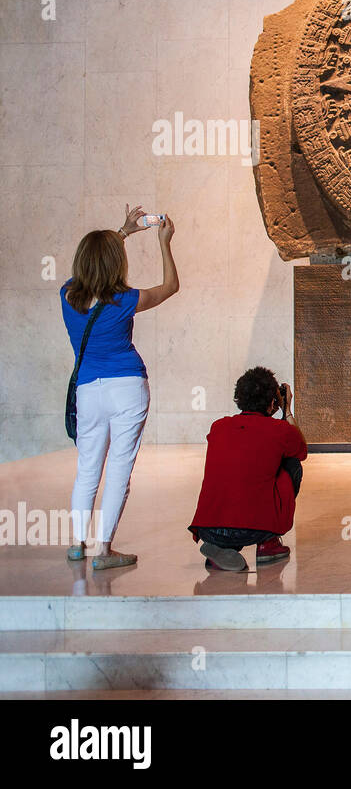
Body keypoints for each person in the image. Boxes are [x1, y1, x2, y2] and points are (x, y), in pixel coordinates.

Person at [62, 206, 179, 570]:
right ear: (117, 264)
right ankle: (105, 549)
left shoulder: (67, 296)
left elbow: (95, 263)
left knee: (87, 468)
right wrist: (163, 242)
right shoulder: (126, 300)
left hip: (88, 390)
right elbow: (170, 287)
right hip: (127, 386)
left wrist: (123, 231)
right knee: (119, 470)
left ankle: (78, 544)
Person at [188, 367, 308, 572]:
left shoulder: (219, 426)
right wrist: (286, 409)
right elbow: (301, 451)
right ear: (273, 402)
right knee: (292, 465)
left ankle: (221, 547)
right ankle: (268, 544)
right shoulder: (280, 431)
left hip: (208, 528)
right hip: (255, 529)